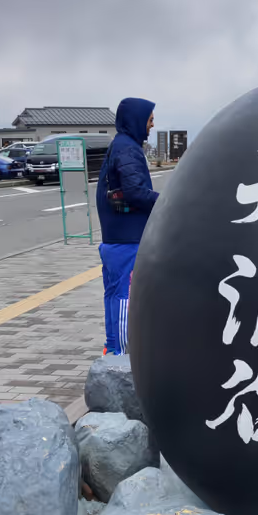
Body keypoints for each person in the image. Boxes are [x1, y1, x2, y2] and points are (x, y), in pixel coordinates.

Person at [96, 97, 159, 355]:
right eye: (150, 120)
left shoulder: (119, 145)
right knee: (126, 297)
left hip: (114, 237)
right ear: (136, 120)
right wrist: (170, 201)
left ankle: (112, 347)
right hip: (127, 239)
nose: (152, 125)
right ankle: (123, 356)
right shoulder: (128, 149)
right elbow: (135, 192)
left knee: (113, 294)